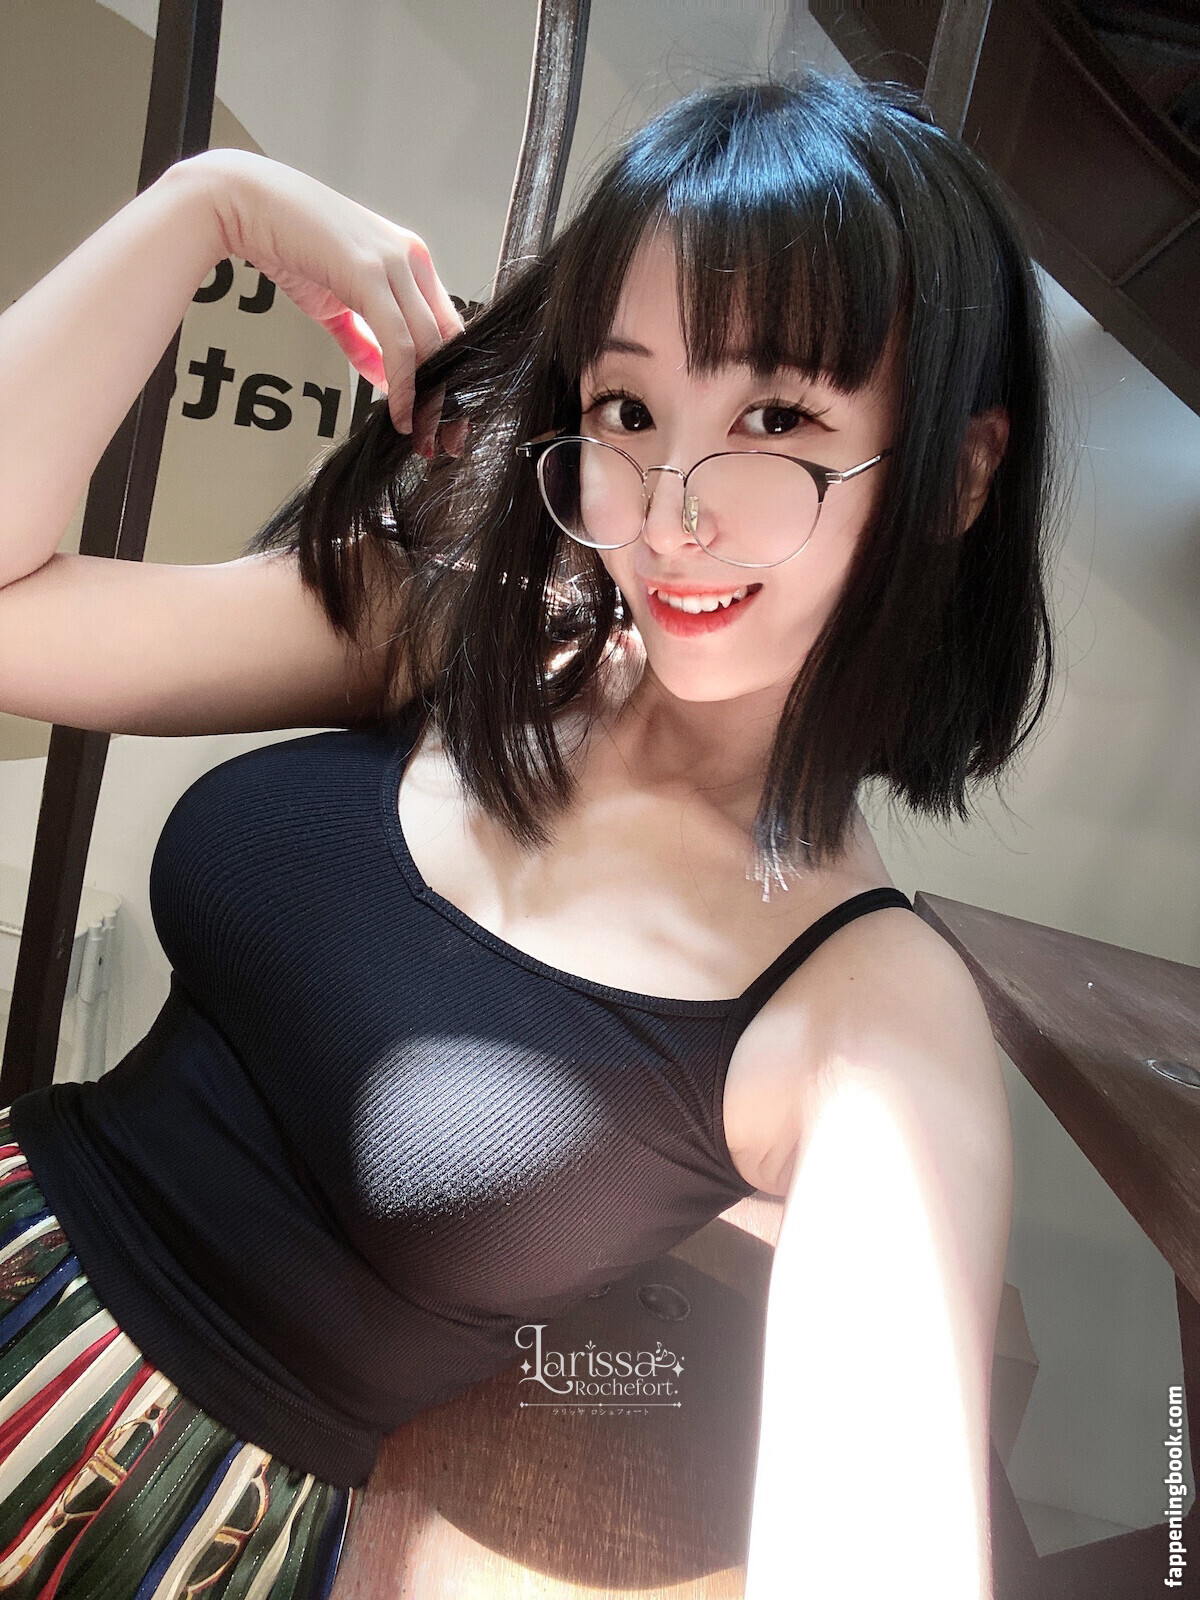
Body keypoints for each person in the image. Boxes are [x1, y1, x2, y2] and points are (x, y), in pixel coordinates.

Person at [0, 68, 1057, 1599]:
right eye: (629, 408)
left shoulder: (870, 1018)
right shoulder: (475, 638)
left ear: (957, 472)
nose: (669, 511)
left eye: (775, 417)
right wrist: (203, 208)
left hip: (136, 1520)